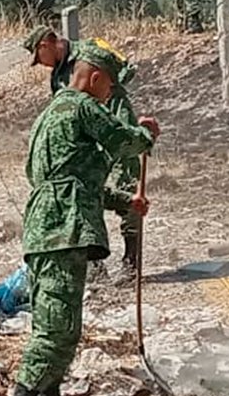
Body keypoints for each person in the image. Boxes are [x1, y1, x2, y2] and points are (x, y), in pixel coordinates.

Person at [0, 39, 160, 396]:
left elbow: (73, 180)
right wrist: (145, 135)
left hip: (57, 223)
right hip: (59, 229)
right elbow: (123, 142)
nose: (111, 96)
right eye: (109, 88)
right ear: (94, 78)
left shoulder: (53, 114)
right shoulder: (81, 105)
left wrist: (125, 203)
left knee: (64, 324)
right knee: (54, 328)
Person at [25, 25, 143, 280]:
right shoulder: (57, 76)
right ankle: (94, 264)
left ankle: (131, 261)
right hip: (86, 141)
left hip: (114, 127)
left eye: (38, 56)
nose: (40, 64)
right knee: (87, 193)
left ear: (46, 44)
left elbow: (125, 71)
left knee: (127, 190)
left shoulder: (89, 51)